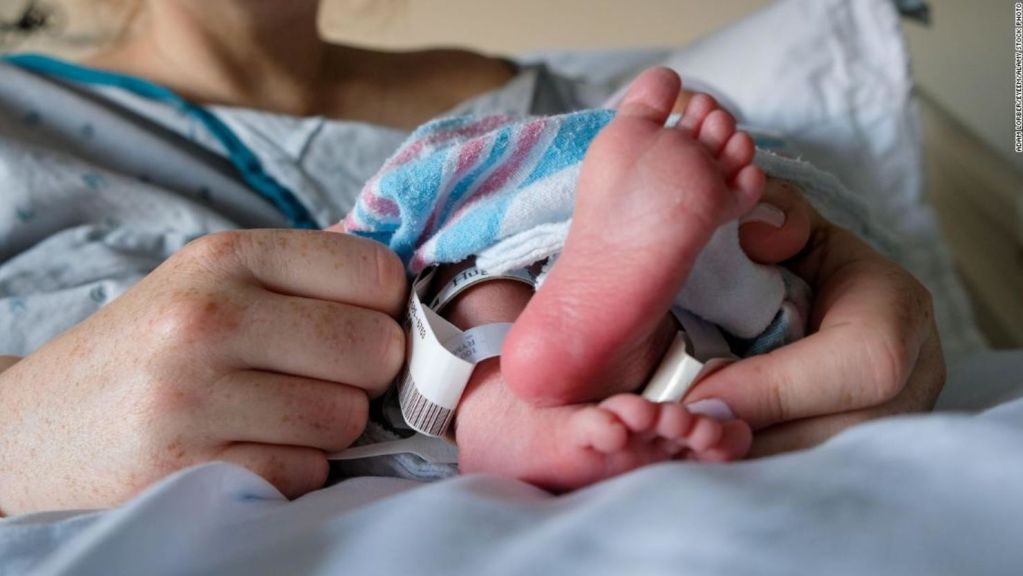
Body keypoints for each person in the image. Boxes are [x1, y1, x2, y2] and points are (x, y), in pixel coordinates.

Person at [0, 0, 944, 516]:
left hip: (565, 331)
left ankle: (559, 355)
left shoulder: (548, 99)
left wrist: (833, 266)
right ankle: (547, 380)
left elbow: (773, 215)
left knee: (525, 246)